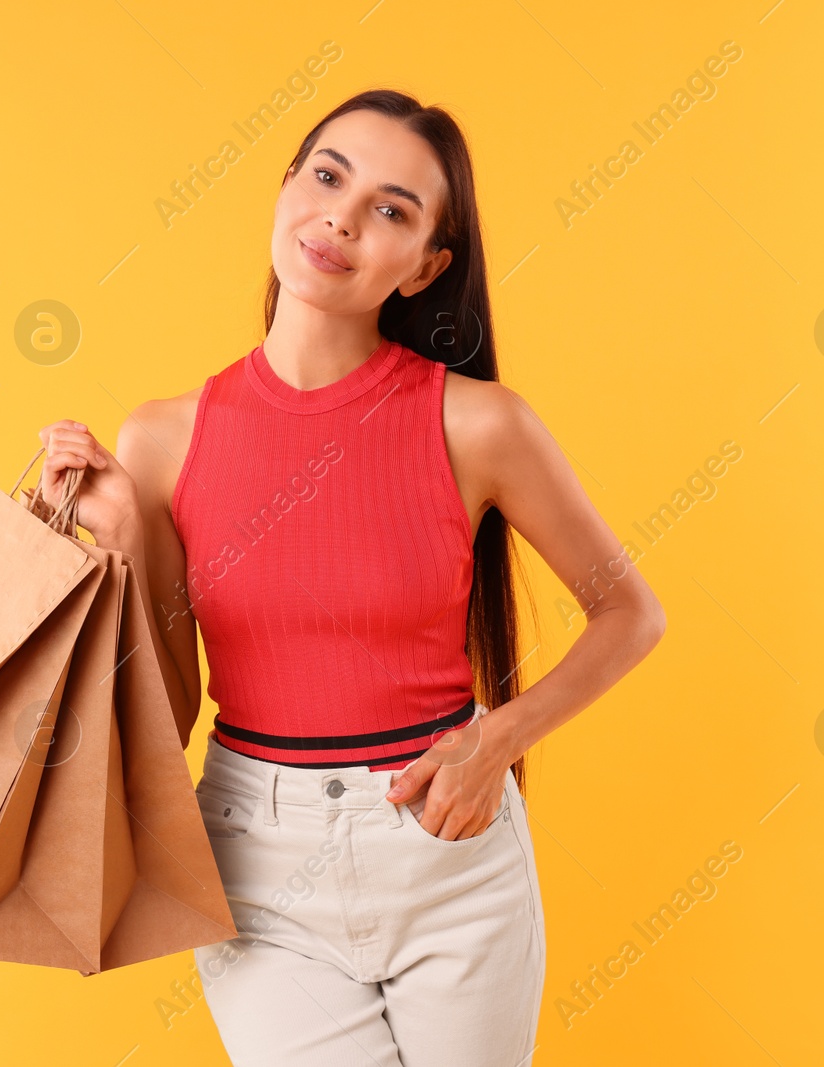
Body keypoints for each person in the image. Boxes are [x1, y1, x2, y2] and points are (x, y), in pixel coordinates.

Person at [35, 88, 665, 1067]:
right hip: (255, 858)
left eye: (392, 209)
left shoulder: (481, 424)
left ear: (425, 267)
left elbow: (629, 612)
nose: (342, 215)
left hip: (446, 849)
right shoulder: (162, 437)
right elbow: (167, 710)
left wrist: (496, 737)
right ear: (285, 188)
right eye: (327, 176)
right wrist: (120, 536)